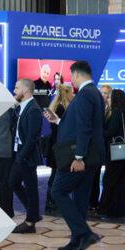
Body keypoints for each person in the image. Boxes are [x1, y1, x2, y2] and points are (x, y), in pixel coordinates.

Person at [48, 61, 104, 250]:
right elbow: (80, 123)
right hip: (91, 156)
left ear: (77, 74)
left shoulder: (86, 94)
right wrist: (59, 120)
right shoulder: (93, 93)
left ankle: (84, 233)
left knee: (58, 191)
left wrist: (79, 157)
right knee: (80, 199)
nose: (71, 79)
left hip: (82, 157)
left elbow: (84, 128)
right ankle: (77, 241)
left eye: (72, 76)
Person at [96, 89, 125, 218]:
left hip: (115, 151)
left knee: (109, 180)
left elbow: (111, 131)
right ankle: (118, 210)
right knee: (122, 182)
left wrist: (99, 131)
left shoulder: (116, 113)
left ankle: (103, 209)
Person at [10, 79, 43, 233]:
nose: (14, 90)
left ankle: (30, 222)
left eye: (17, 88)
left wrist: (22, 156)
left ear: (26, 90)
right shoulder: (23, 106)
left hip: (26, 155)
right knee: (13, 183)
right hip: (20, 153)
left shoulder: (34, 109)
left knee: (31, 188)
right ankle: (34, 214)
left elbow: (32, 138)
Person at [45, 84, 75, 212]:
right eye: (72, 92)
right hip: (62, 146)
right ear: (68, 93)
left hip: (54, 145)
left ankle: (50, 201)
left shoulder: (54, 107)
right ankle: (54, 200)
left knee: (55, 173)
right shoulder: (65, 108)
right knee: (59, 174)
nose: (74, 95)